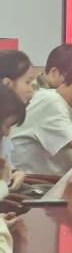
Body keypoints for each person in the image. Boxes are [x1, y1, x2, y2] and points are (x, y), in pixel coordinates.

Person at [0, 51, 36, 194]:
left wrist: (15, 172)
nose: (31, 89)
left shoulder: (8, 116)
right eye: (27, 82)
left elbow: (5, 165)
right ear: (7, 84)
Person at [0, 86, 27, 204]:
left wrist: (15, 172)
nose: (7, 133)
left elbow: (7, 165)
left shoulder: (3, 138)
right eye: (7, 126)